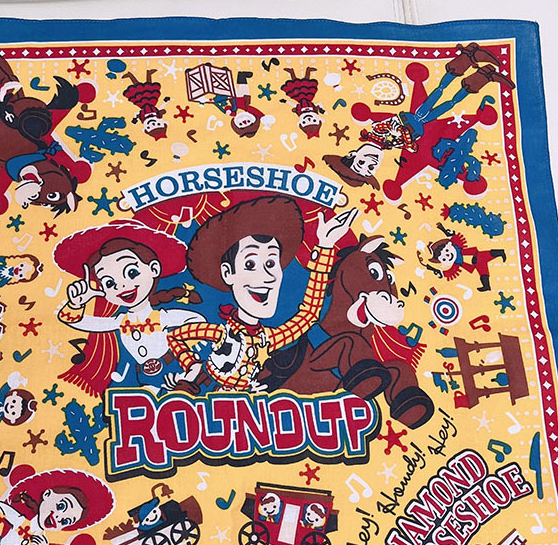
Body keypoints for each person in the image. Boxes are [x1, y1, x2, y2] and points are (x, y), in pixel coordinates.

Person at [166, 196, 357, 393]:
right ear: (227, 273)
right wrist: (192, 366)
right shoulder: (219, 334)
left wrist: (325, 245)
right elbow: (174, 337)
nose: (266, 277)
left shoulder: (268, 338)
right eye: (250, 264)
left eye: (271, 263)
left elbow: (309, 314)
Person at [324, 42, 514, 189]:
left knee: (440, 91)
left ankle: (467, 58)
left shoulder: (374, 133)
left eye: (361, 163)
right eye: (370, 169)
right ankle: (483, 75)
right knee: (450, 103)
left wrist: (402, 136)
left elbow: (389, 126)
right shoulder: (389, 146)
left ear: (353, 154)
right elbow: (409, 144)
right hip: (420, 126)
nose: (371, 163)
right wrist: (407, 141)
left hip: (414, 117)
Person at [54, 219, 205, 395]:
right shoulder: (121, 321)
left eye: (131, 273)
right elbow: (83, 322)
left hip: (174, 369)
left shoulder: (162, 317)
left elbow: (198, 320)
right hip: (145, 376)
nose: (121, 286)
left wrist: (180, 343)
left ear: (154, 269)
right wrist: (76, 304)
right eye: (109, 283)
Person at [424, 222, 506, 292]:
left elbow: (454, 238)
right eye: (444, 258)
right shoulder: (456, 263)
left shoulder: (457, 247)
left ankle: (501, 252)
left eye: (447, 251)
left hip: (477, 255)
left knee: (489, 254)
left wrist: (444, 230)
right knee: (483, 274)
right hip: (476, 266)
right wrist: (435, 270)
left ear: (449, 245)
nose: (448, 255)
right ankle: (487, 286)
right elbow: (448, 272)